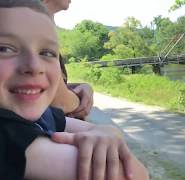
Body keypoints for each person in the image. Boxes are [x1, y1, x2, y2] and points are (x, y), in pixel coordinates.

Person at [0, 1, 149, 180]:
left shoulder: (44, 114)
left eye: (47, 53)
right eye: (5, 49)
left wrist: (108, 133)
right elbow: (134, 173)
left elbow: (101, 130)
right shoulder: (6, 136)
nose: (34, 66)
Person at [41, 0, 94, 120]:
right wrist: (81, 101)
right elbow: (60, 101)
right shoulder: (31, 22)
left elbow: (44, 84)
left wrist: (82, 87)